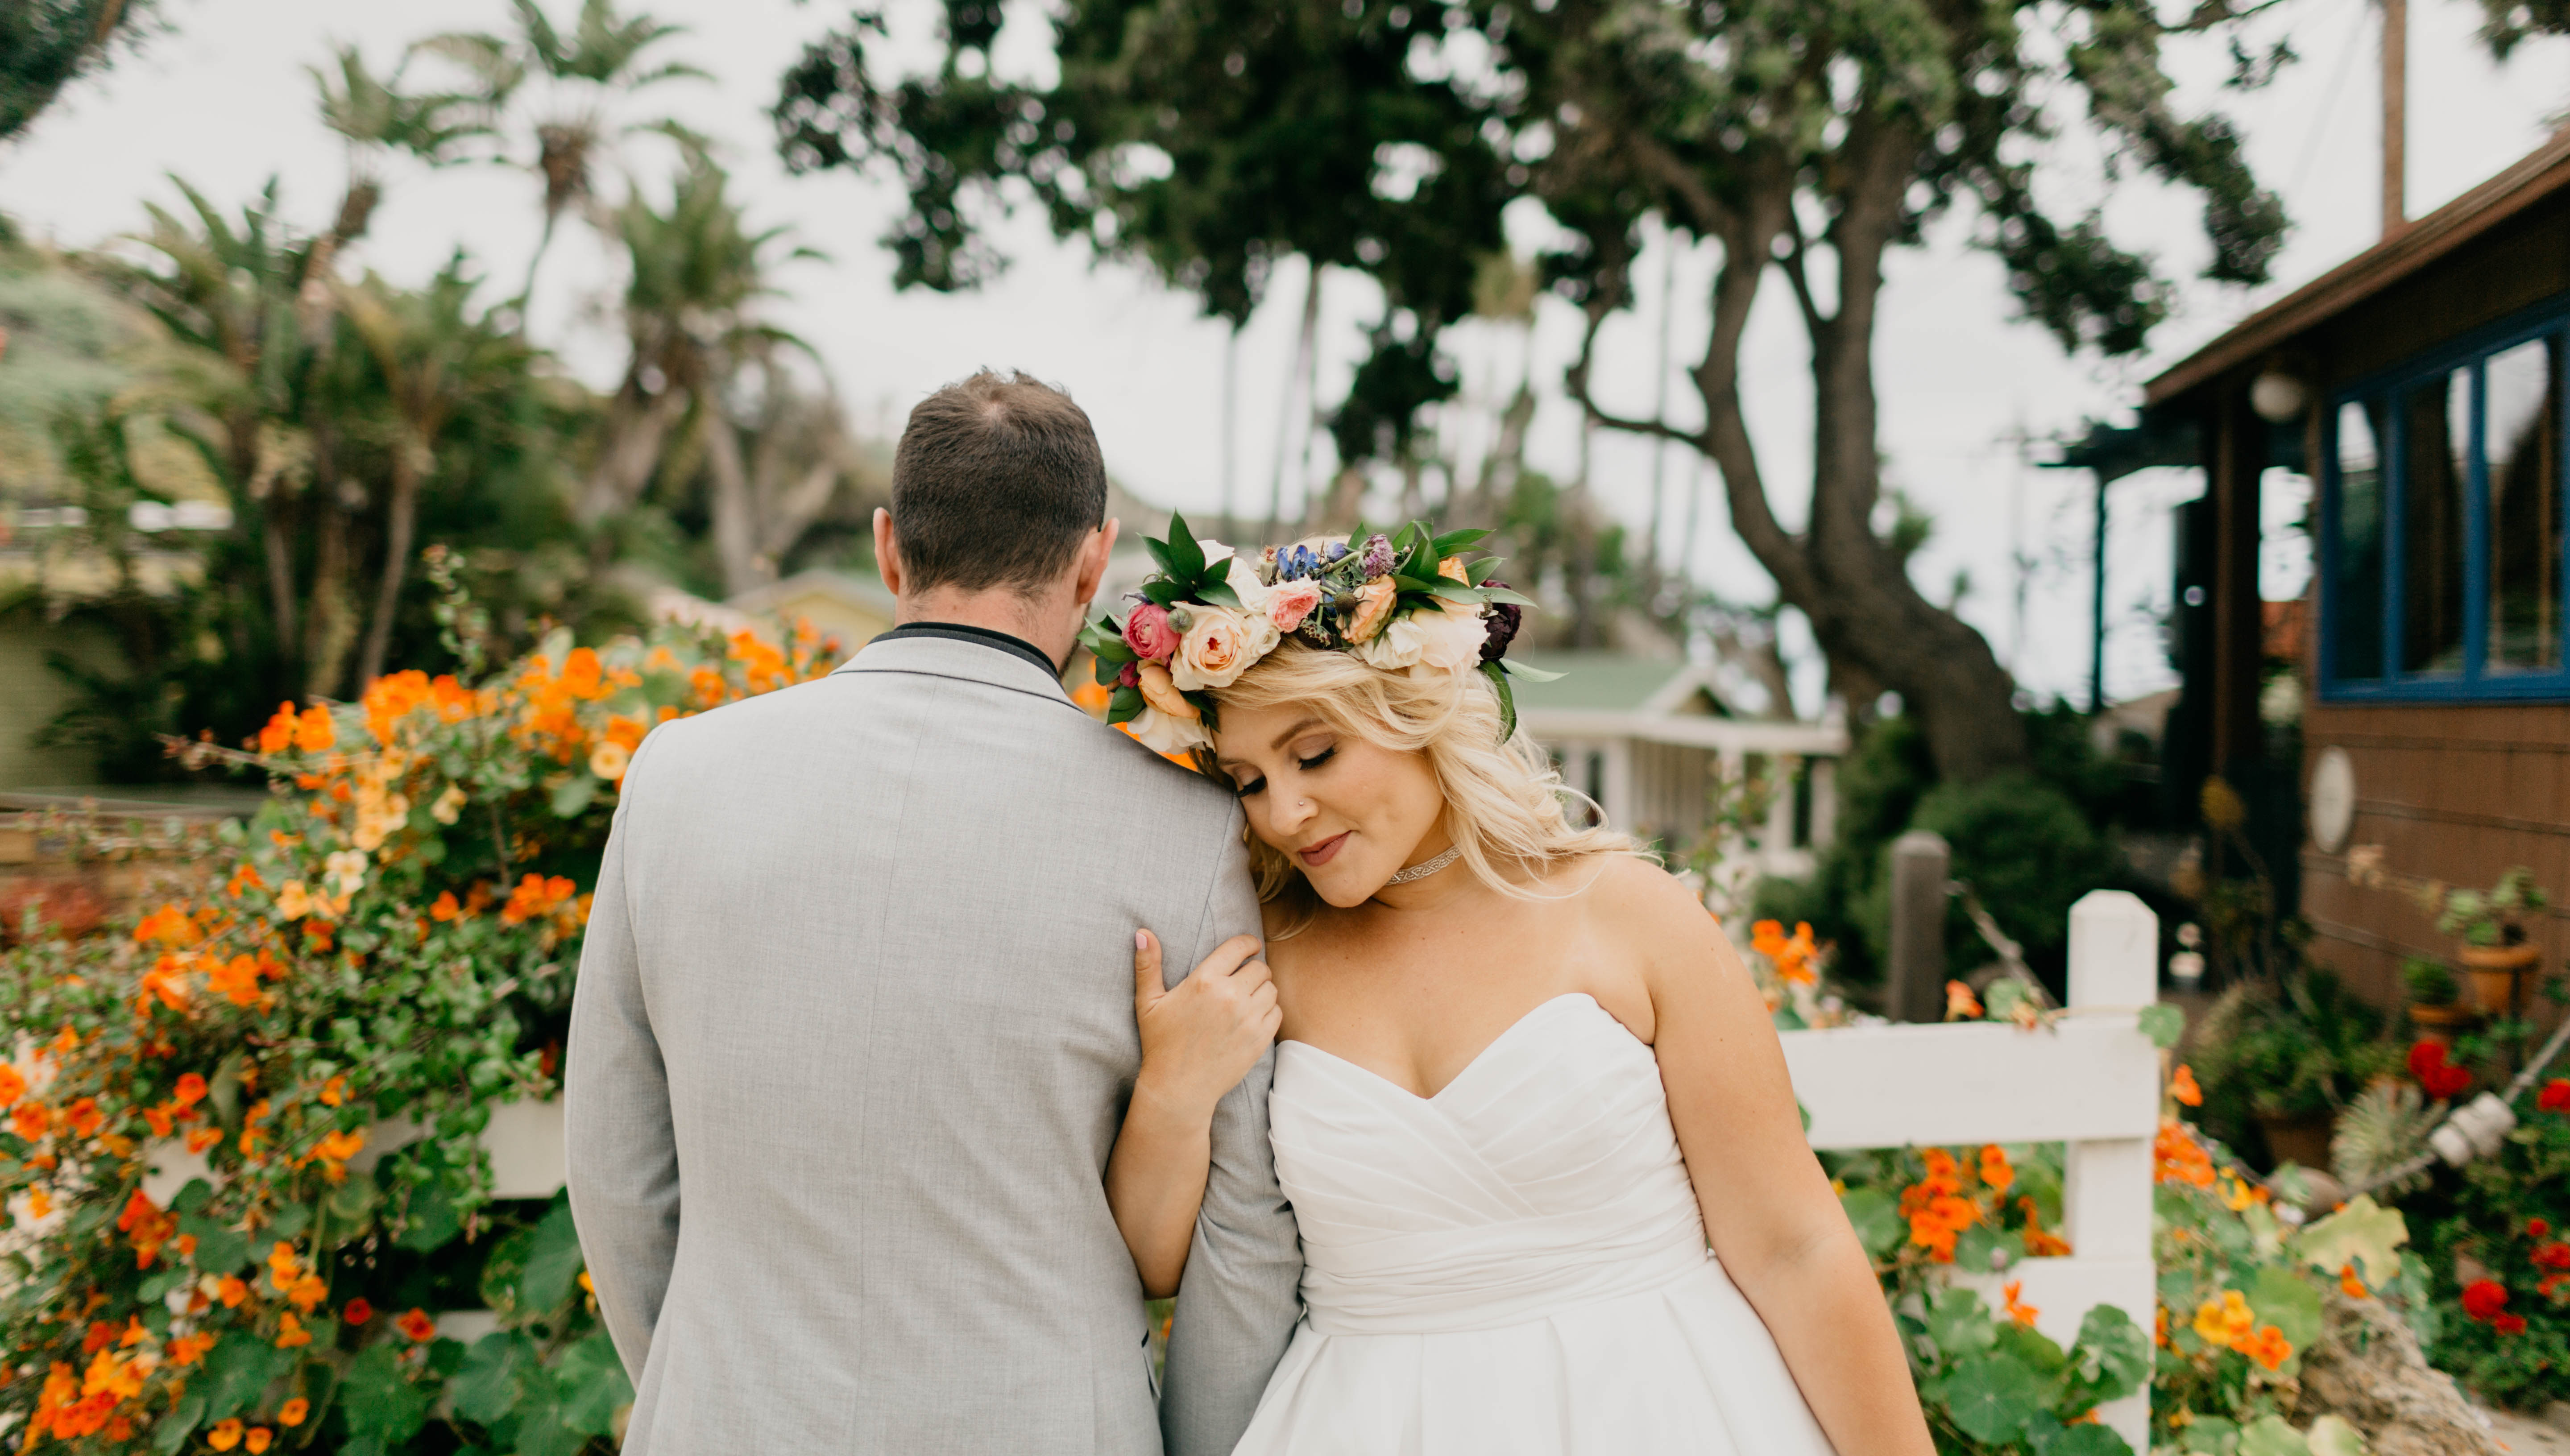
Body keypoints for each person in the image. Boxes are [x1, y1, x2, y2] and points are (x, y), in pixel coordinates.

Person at [566, 372, 1302, 1455]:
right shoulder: (1187, 831)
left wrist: (698, 1393)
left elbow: (619, 1173)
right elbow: (1244, 1233)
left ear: (888, 548)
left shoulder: (677, 776)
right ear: (1094, 563)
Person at [1088, 521, 1936, 1456]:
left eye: (1316, 754)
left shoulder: (1625, 912)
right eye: (1247, 781)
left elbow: (1794, 1249)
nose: (1284, 813)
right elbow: (1158, 1260)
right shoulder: (1262, 955)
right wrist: (1171, 1088)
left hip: (1661, 1410)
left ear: (1417, 711)